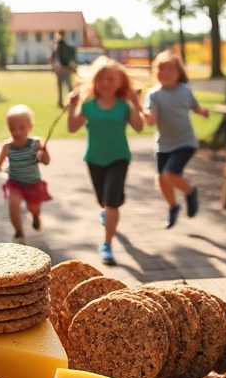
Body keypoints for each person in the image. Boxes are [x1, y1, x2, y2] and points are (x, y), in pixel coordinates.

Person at [67, 56, 143, 266]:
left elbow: (139, 127)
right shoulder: (89, 106)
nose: (106, 83)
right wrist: (72, 107)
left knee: (110, 202)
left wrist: (136, 104)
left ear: (119, 82)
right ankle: (110, 211)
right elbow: (72, 128)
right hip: (94, 159)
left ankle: (107, 245)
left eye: (111, 79)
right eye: (101, 79)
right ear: (94, 82)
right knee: (104, 201)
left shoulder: (124, 106)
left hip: (119, 158)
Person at [142, 48, 209, 229]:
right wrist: (144, 113)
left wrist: (201, 111)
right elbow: (152, 119)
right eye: (160, 69)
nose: (165, 73)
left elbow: (194, 106)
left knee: (169, 174)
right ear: (155, 72)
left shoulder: (185, 91)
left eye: (170, 69)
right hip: (163, 145)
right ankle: (173, 206)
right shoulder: (153, 95)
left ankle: (190, 192)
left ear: (179, 73)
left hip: (185, 143)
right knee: (161, 180)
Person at [0, 104, 51, 244]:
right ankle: (19, 233)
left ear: (30, 127)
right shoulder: (7, 146)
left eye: (21, 128)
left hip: (33, 183)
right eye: (12, 129)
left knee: (33, 208)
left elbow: (46, 161)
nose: (17, 132)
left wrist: (43, 153)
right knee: (13, 202)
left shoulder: (36, 143)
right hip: (15, 182)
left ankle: (35, 216)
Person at [51, 30, 77, 106]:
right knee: (60, 86)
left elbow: (69, 56)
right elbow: (54, 57)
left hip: (65, 68)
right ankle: (60, 101)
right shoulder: (57, 45)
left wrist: (72, 65)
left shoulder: (65, 45)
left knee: (69, 85)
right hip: (59, 68)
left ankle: (72, 100)